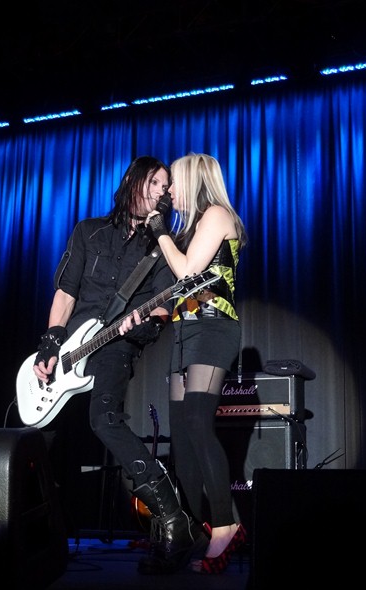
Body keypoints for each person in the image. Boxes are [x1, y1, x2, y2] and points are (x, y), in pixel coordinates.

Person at [32, 155, 209, 571]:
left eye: (166, 186)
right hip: (70, 348)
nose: (162, 191)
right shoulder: (88, 231)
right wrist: (50, 344)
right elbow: (66, 293)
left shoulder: (162, 246)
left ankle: (172, 517)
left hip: (117, 344)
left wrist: (142, 322)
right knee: (40, 437)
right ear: (133, 180)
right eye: (155, 182)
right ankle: (36, 530)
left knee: (104, 419)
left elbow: (165, 307)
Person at [125, 152, 248, 575]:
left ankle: (226, 525)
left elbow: (188, 272)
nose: (169, 190)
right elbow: (168, 284)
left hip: (214, 328)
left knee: (197, 422)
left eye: (174, 182)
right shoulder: (189, 229)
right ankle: (193, 529)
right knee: (181, 437)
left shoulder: (217, 215)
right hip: (184, 333)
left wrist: (160, 230)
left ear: (193, 180)